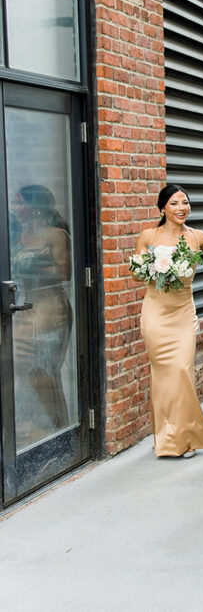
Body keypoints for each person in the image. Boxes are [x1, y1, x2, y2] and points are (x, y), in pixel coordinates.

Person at [135, 185, 203, 457]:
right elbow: (137, 275)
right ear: (163, 207)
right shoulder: (148, 236)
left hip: (183, 313)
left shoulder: (199, 237)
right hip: (156, 312)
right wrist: (153, 267)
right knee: (161, 376)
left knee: (182, 371)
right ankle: (166, 437)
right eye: (174, 203)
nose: (181, 208)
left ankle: (185, 436)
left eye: (185, 203)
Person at [10, 185, 74, 448]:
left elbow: (65, 274)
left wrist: (29, 264)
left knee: (44, 370)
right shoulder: (17, 234)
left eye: (18, 203)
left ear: (35, 206)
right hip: (25, 306)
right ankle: (29, 429)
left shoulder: (56, 235)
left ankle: (60, 428)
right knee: (22, 366)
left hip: (50, 308)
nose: (13, 208)